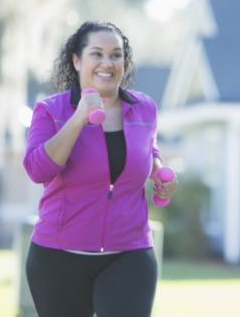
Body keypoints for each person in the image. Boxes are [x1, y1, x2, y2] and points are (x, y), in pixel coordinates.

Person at [23, 21, 178, 317]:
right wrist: (79, 117)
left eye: (116, 55)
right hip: (58, 257)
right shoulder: (51, 111)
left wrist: (158, 170)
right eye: (97, 54)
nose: (107, 63)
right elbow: (37, 170)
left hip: (130, 252)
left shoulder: (144, 108)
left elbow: (148, 147)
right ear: (77, 60)